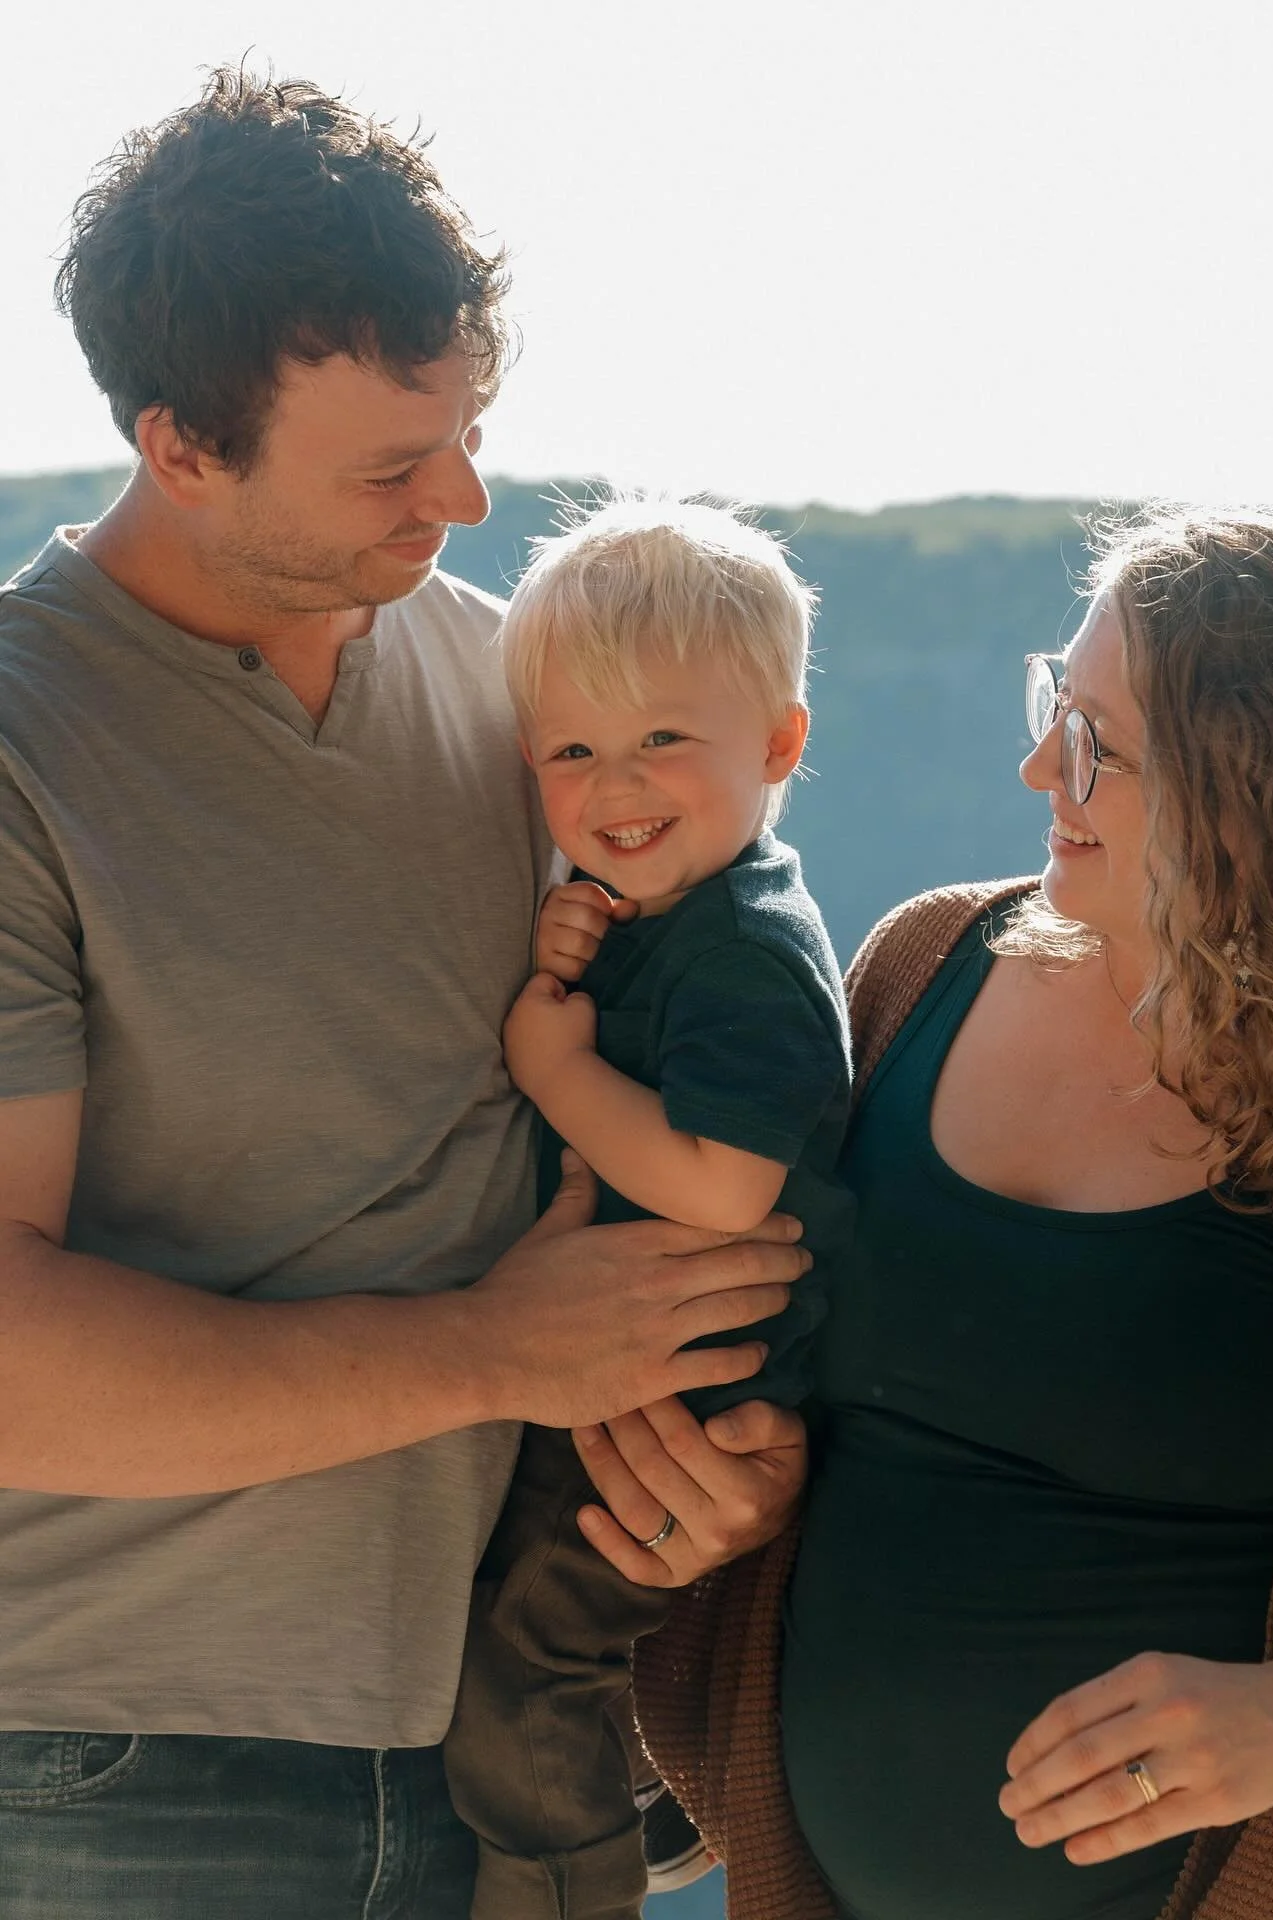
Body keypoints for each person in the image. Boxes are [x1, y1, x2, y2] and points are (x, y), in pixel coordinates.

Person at [0, 70, 808, 1920]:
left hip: (498, 1748)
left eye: (465, 430)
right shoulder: (22, 747)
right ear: (179, 445)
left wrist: (720, 1466)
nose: (464, 495)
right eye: (390, 467)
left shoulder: (528, 690)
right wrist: (500, 1354)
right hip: (111, 1764)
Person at [634, 505, 1273, 1920]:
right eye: (1053, 708)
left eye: (1098, 747)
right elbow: (815, 1383)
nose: (1033, 769)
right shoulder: (921, 966)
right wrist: (748, 1488)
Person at [443, 496, 852, 1919]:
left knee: (530, 1668)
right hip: (627, 1357)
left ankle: (567, 1891)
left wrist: (550, 1060)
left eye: (664, 739)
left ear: (781, 746)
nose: (618, 781)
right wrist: (583, 941)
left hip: (679, 1393)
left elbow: (720, 1186)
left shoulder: (751, 951)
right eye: (573, 750)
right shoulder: (674, 908)